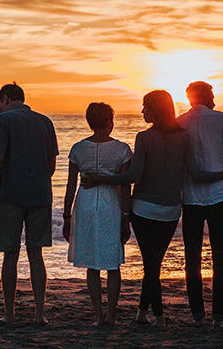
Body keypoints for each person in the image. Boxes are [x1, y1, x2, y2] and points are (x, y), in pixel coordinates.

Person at [81, 90, 223, 327]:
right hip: (170, 211)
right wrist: (222, 173)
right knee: (153, 263)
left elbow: (133, 175)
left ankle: (160, 317)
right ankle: (142, 312)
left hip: (143, 210)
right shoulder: (183, 137)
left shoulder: (143, 138)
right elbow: (197, 173)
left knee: (151, 265)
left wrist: (100, 178)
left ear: (155, 110)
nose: (142, 111)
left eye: (145, 107)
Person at [0, 84, 59, 325]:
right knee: (36, 255)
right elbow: (52, 166)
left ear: (4, 100)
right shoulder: (45, 122)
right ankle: (39, 314)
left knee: (10, 255)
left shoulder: (1, 121)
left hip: (12, 195)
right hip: (40, 194)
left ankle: (9, 314)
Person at [176, 81, 223, 326]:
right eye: (212, 94)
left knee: (192, 257)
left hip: (191, 197)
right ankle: (218, 315)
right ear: (207, 96)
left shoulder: (180, 122)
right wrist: (219, 161)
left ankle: (197, 314)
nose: (215, 99)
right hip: (220, 196)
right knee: (220, 257)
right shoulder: (222, 118)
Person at [61, 103, 132, 326]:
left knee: (92, 264)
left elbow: (71, 186)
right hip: (111, 204)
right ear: (109, 122)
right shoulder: (122, 149)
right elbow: (126, 187)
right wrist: (126, 217)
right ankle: (111, 315)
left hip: (85, 204)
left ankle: (98, 317)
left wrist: (66, 216)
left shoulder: (78, 149)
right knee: (112, 263)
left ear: (89, 122)